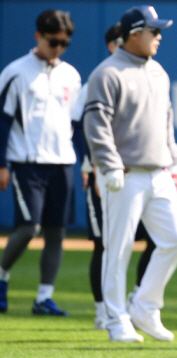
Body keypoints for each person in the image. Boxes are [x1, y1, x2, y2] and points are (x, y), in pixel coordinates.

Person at [71, 22, 177, 331]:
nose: (160, 36)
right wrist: (107, 165)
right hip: (124, 174)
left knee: (175, 240)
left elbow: (165, 121)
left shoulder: (158, 71)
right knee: (118, 247)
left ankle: (144, 306)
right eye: (154, 31)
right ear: (135, 35)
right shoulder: (107, 72)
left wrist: (174, 164)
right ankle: (115, 319)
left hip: (159, 171)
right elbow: (95, 124)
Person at [0, 9, 80, 316]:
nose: (58, 48)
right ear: (38, 36)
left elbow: (74, 122)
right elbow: (3, 121)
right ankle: (2, 276)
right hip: (26, 161)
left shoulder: (71, 75)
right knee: (29, 227)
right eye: (53, 41)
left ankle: (43, 298)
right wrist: (2, 163)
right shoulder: (16, 72)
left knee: (56, 231)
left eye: (64, 43)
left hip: (61, 162)